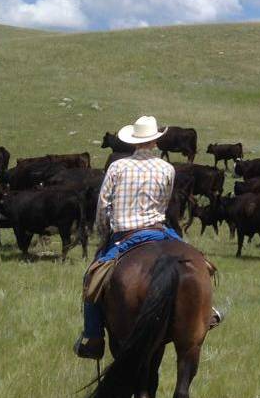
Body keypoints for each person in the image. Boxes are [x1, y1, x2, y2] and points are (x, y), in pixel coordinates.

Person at [75, 115, 222, 359]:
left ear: (133, 142)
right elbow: (164, 205)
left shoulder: (117, 167)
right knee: (200, 263)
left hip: (125, 235)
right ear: (154, 142)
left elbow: (103, 207)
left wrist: (103, 233)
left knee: (91, 277)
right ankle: (206, 313)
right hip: (159, 232)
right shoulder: (167, 168)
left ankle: (93, 337)